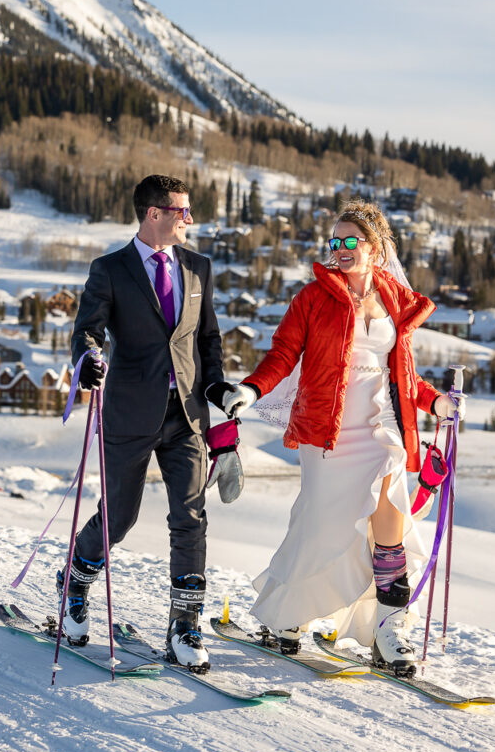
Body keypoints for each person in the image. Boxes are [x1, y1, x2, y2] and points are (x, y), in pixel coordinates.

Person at [223, 201, 464, 673]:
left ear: (375, 248)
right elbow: (283, 354)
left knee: (388, 529)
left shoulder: (395, 298)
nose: (341, 249)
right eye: (335, 242)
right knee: (319, 525)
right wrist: (251, 390)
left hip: (383, 428)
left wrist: (435, 402)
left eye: (350, 241)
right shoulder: (312, 299)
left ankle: (390, 631)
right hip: (327, 430)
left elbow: (404, 375)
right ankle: (285, 616)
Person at [59, 174, 231, 671]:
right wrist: (88, 359)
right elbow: (87, 332)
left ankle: (185, 625)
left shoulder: (199, 267)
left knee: (190, 517)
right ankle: (75, 583)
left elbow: (209, 339)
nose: (189, 220)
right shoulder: (109, 270)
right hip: (130, 413)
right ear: (154, 213)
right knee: (118, 517)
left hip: (187, 416)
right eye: (183, 211)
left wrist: (217, 387)